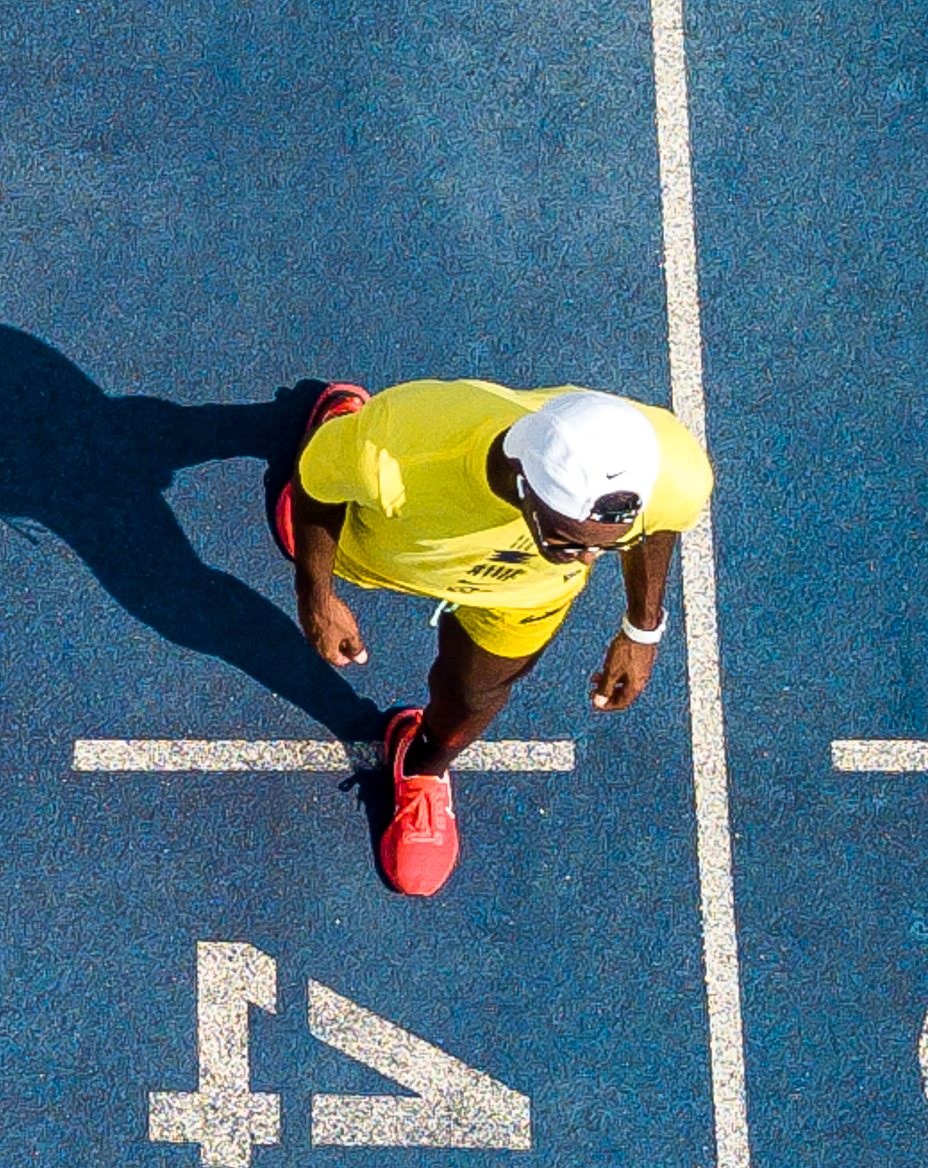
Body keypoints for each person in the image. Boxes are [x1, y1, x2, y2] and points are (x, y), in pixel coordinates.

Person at [269, 380, 713, 897]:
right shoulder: (396, 453)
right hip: (378, 554)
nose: (589, 560)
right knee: (324, 477)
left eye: (604, 547)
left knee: (475, 696)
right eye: (567, 542)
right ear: (524, 482)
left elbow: (659, 526)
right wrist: (315, 597)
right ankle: (339, 425)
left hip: (520, 598)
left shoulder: (673, 474)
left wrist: (641, 628)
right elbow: (317, 485)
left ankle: (421, 768)